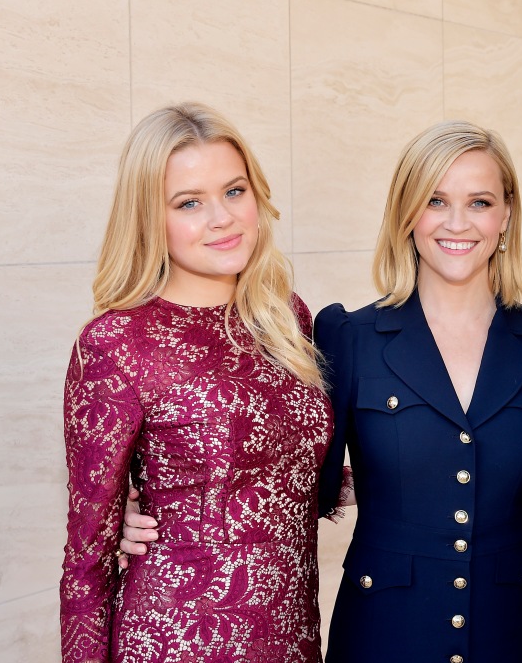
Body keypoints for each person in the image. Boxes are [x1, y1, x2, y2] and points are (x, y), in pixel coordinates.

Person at [122, 120, 522, 662]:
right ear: (406, 213)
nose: (457, 223)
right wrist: (149, 511)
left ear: (507, 214)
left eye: (480, 202)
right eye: (436, 200)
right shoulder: (347, 338)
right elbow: (294, 469)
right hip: (384, 635)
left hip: (509, 632)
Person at [60, 102, 333, 663]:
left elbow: (288, 474)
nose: (223, 218)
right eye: (189, 202)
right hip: (173, 638)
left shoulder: (285, 316)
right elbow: (85, 562)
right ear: (149, 218)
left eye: (235, 191)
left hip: (292, 637)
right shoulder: (116, 343)